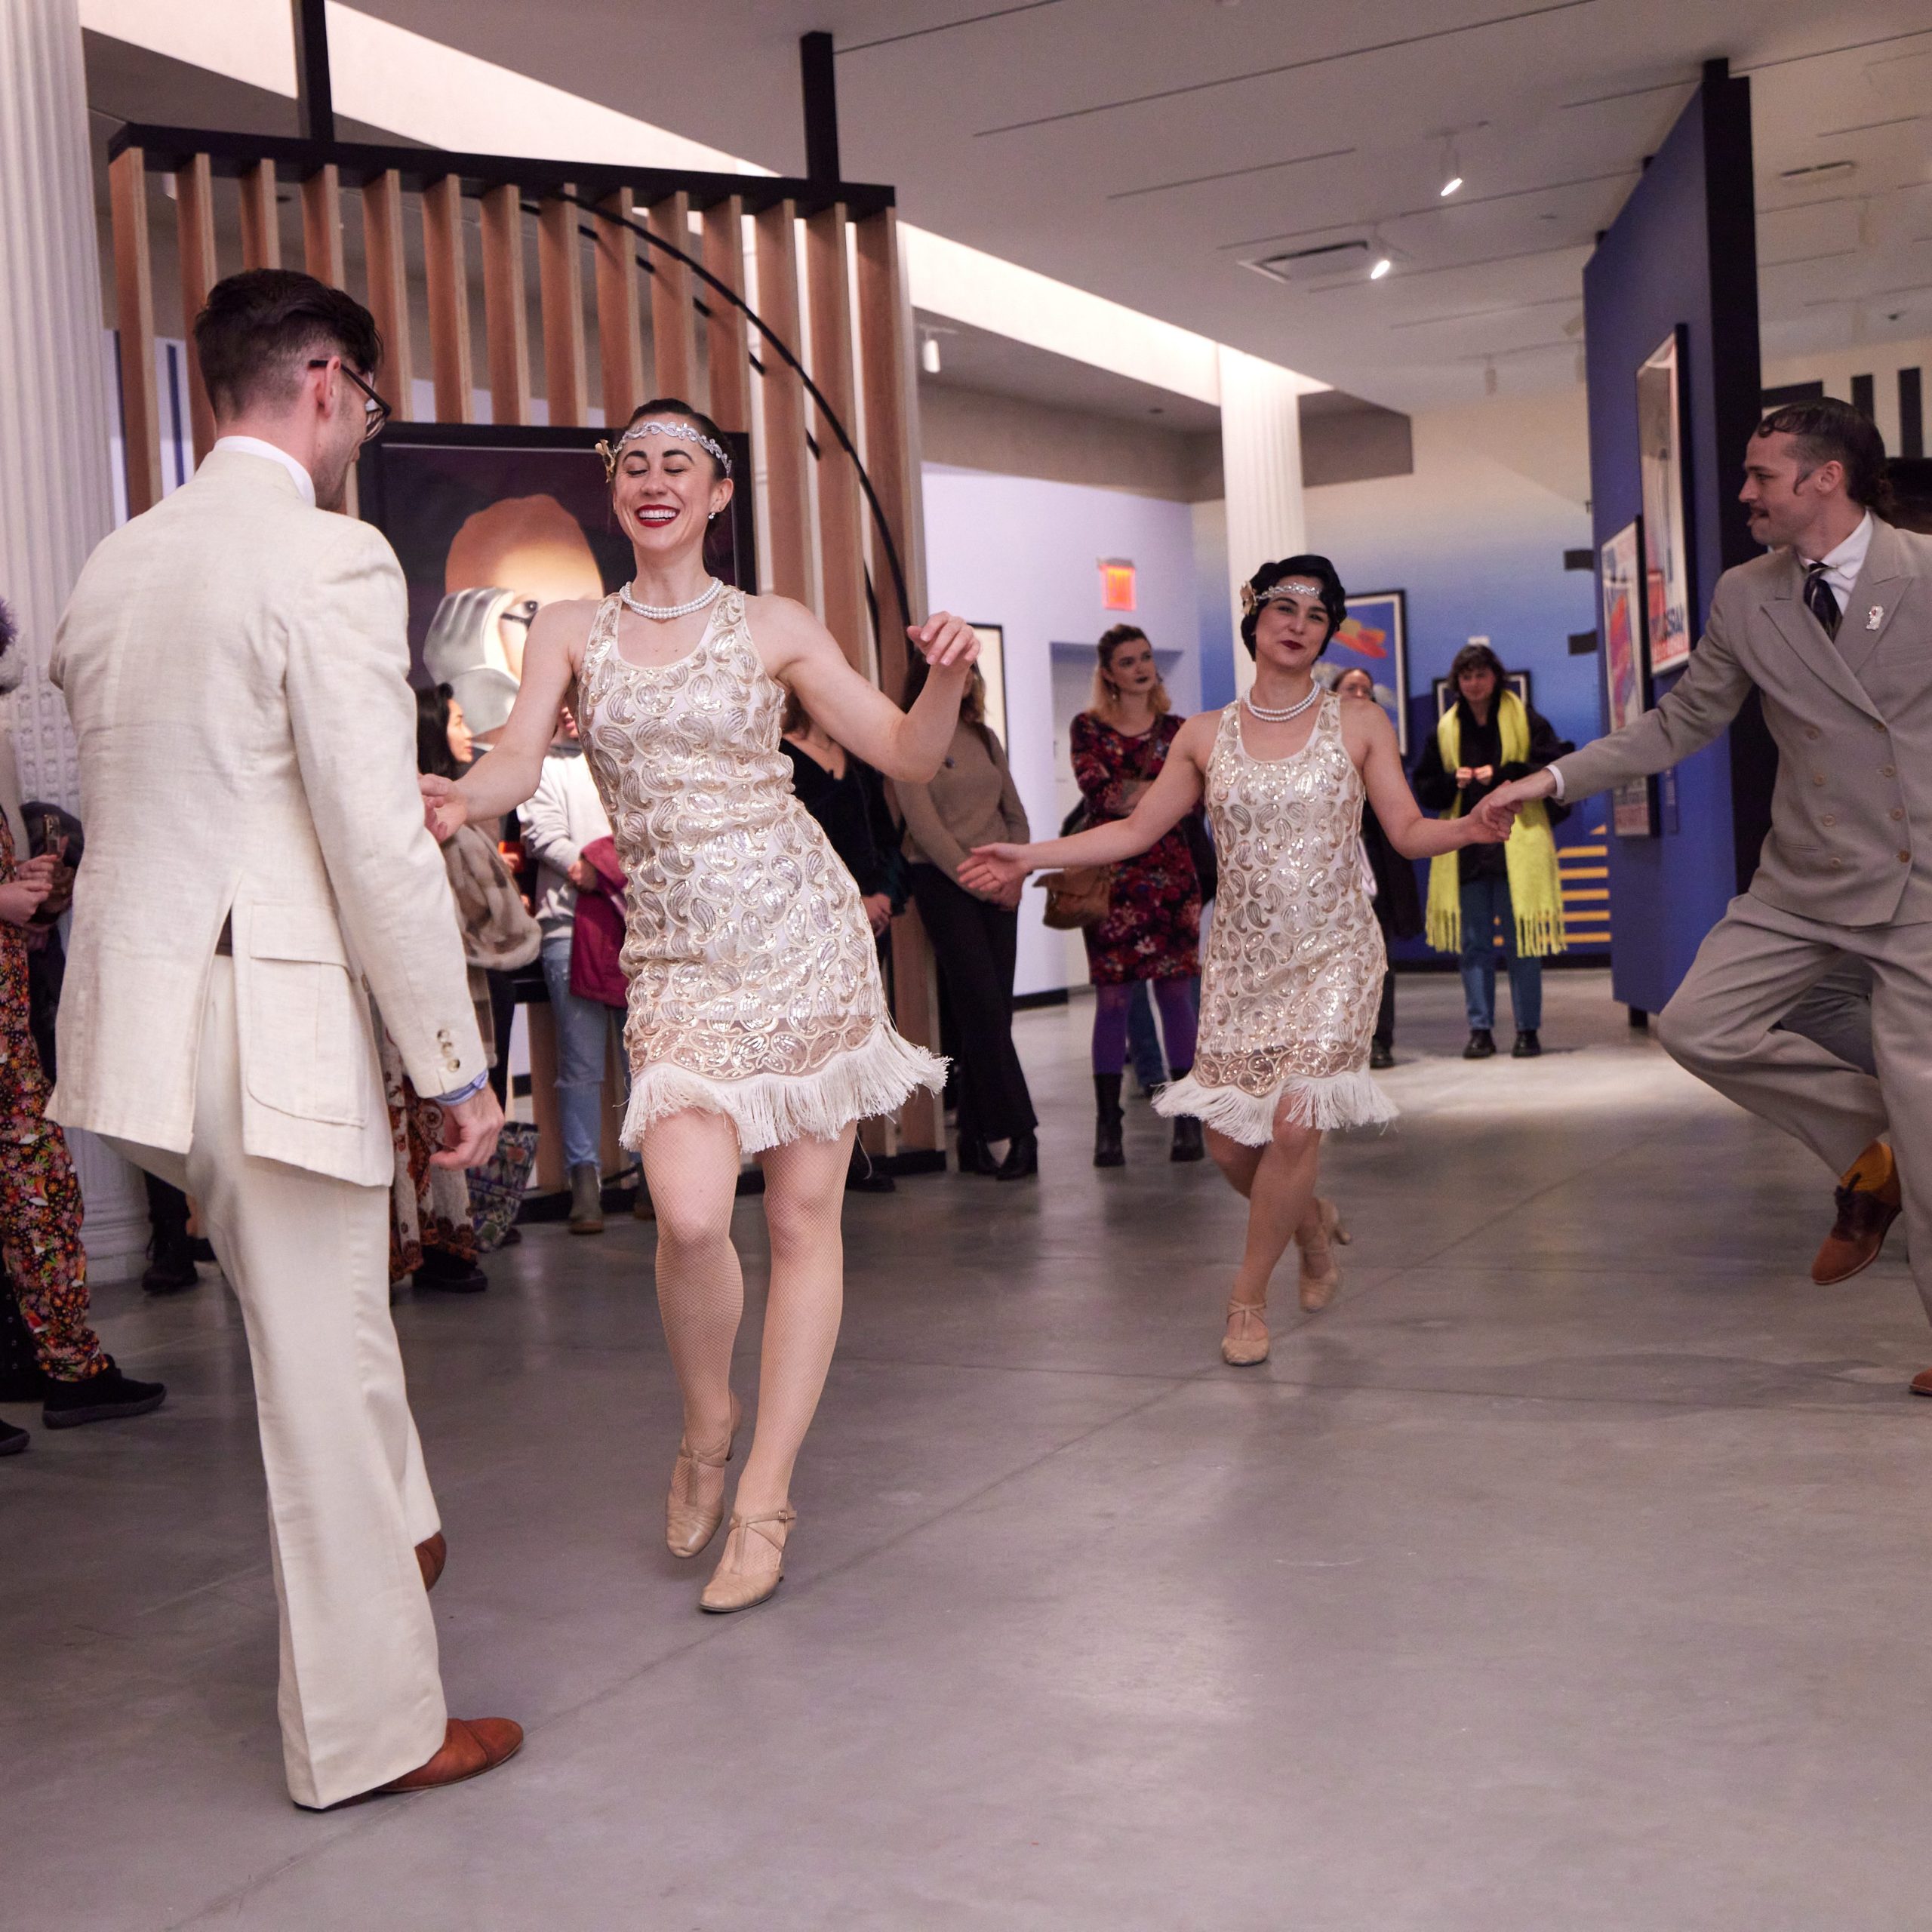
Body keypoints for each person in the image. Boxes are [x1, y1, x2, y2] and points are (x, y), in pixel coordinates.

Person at [49, 269, 519, 1806]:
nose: (359, 432)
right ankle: (370, 1734)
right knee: (317, 1367)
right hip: (270, 1014)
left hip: (146, 1026)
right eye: (366, 403)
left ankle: (408, 1527)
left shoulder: (117, 560)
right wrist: (452, 1061)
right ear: (323, 381)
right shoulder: (329, 557)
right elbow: (372, 837)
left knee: (331, 1318)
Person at [420, 396, 976, 1614]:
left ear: (719, 495)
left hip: (803, 939)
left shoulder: (772, 625)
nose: (656, 480)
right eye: (636, 464)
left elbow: (905, 751)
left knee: (799, 1221)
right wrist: (465, 797)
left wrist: (939, 684)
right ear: (616, 492)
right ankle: (708, 1424)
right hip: (674, 956)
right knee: (682, 1216)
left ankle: (766, 1498)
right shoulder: (572, 627)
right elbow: (521, 757)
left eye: (683, 463)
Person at [1486, 397, 1932, 1391]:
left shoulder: (1924, 573)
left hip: (1917, 882)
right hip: (1800, 878)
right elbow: (1680, 721)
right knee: (1696, 1023)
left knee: (1929, 1109)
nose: (1744, 495)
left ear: (1827, 478)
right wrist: (1554, 780)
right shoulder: (1745, 592)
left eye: (1761, 476)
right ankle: (1877, 1141)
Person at [964, 557, 1509, 1366]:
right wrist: (1028, 855)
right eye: (1282, 607)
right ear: (1254, 618)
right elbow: (1131, 831)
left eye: (1316, 615)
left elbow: (1401, 830)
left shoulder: (1358, 725)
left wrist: (1464, 828)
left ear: (1326, 633)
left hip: (1334, 952)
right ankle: (1310, 1225)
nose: (1297, 623)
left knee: (1293, 1123)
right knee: (1227, 1146)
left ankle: (1246, 1300)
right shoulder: (1203, 735)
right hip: (1243, 961)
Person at [0, 602, 165, 1458]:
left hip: (6, 1015)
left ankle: (64, 1362)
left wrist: (24, 876)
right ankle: (60, 1362)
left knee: (40, 1185)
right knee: (36, 1180)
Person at [895, 660, 1039, 1182]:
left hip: (1002, 882)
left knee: (994, 1010)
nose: (966, 681)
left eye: (970, 673)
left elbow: (1016, 813)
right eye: (954, 673)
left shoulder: (983, 735)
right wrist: (982, 879)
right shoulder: (907, 737)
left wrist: (1016, 871)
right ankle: (1020, 1132)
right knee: (980, 1005)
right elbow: (926, 829)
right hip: (944, 883)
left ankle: (975, 1136)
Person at [1070, 625, 1204, 1167]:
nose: (1141, 667)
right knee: (1114, 1000)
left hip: (1172, 876)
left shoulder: (1179, 729)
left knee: (1176, 996)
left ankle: (1188, 1119)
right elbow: (1100, 794)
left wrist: (1150, 796)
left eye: (1146, 657)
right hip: (1113, 878)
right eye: (1128, 661)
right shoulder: (1088, 728)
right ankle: (1109, 1125)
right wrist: (1164, 793)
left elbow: (1193, 797)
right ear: (1109, 673)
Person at [1414, 642, 1568, 1059]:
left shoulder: (1525, 717)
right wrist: (1456, 782)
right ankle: (1479, 1030)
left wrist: (1503, 774)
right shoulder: (1445, 729)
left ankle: (1527, 1030)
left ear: (1495, 677)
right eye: (1467, 677)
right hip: (1466, 854)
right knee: (1474, 946)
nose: (1475, 683)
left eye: (1481, 675)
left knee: (1524, 945)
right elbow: (1426, 788)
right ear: (1457, 683)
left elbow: (1553, 764)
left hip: (1517, 846)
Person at [781, 691, 907, 1194]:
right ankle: (814, 1159)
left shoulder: (858, 759)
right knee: (813, 1039)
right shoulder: (779, 756)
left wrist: (882, 896)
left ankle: (851, 1154)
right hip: (810, 919)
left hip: (867, 920)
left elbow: (885, 836)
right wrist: (847, 899)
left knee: (854, 1037)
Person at [519, 704, 620, 1231]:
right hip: (567, 924)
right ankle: (586, 1182)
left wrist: (609, 870)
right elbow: (541, 836)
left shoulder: (623, 755)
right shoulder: (542, 764)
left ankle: (657, 1177)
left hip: (635, 923)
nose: (569, 709)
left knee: (645, 1060)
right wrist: (589, 867)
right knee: (580, 1065)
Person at [1336, 665, 1424, 1068]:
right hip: (1326, 872)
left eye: (1366, 689)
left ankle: (1380, 1039)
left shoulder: (1382, 744)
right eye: (1351, 687)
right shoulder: (1313, 745)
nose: (1359, 693)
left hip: (1377, 872)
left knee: (1378, 959)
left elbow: (1395, 812)